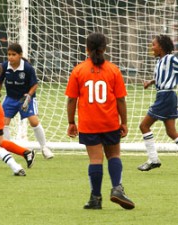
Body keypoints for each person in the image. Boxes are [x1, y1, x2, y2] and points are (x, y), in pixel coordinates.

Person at [65, 32, 135, 210]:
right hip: (110, 122)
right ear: (105, 48)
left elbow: (72, 99)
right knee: (114, 155)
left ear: (87, 49)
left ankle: (96, 198)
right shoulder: (113, 70)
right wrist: (124, 122)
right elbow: (120, 99)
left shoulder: (78, 70)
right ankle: (117, 189)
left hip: (89, 124)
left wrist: (71, 122)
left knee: (95, 159)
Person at [0, 43, 54, 159]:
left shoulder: (27, 68)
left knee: (33, 121)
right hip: (10, 98)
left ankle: (44, 147)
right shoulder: (4, 66)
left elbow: (34, 85)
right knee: (3, 123)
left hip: (26, 98)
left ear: (20, 55)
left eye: (14, 54)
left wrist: (28, 96)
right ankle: (6, 150)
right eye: (9, 54)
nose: (11, 57)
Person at [138, 34, 178, 171]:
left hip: (165, 96)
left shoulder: (170, 59)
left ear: (161, 47)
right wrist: (151, 81)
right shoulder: (160, 61)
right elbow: (165, 76)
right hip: (167, 96)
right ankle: (153, 159)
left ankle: (153, 159)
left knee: (144, 126)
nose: (152, 47)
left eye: (154, 45)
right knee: (172, 133)